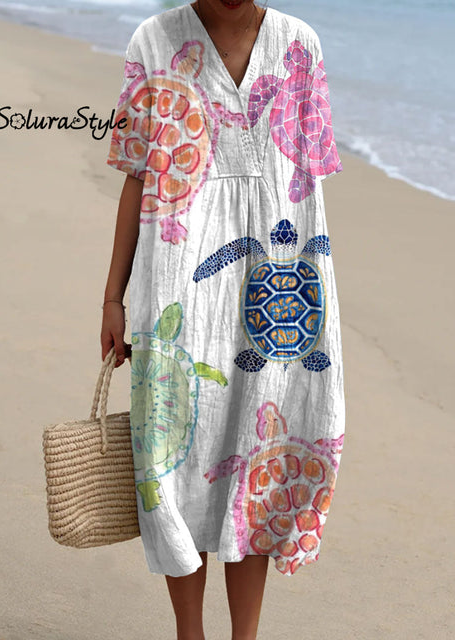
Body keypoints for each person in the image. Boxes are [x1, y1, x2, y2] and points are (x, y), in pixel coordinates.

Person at [101, 1, 345, 638]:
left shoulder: (300, 45)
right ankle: (190, 634)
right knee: (173, 461)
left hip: (278, 290)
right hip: (176, 286)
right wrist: (112, 297)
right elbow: (136, 175)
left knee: (257, 458)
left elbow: (306, 191)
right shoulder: (154, 40)